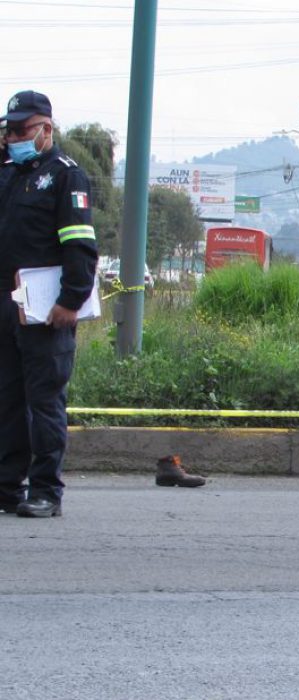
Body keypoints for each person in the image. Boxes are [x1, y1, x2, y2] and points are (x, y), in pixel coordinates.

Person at [0, 90, 98, 518]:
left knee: (44, 403)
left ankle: (45, 491)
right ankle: (6, 488)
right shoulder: (8, 174)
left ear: (46, 130)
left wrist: (71, 300)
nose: (13, 137)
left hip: (46, 309)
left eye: (22, 130)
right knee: (6, 401)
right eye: (8, 130)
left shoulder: (66, 176)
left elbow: (80, 245)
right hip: (8, 303)